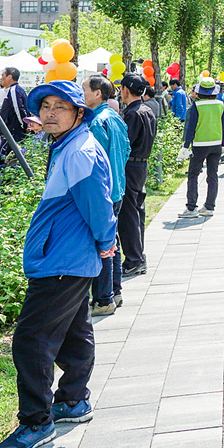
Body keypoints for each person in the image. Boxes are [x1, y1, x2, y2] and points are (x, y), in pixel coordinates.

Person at [0, 80, 116, 448]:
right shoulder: (66, 144)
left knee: (31, 341)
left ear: (79, 113)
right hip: (67, 257)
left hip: (63, 260)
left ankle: (35, 421)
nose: (49, 113)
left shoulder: (79, 151)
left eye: (59, 107)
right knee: (75, 332)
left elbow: (98, 202)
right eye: (45, 106)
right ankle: (74, 401)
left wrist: (106, 240)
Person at [83, 76, 130, 316]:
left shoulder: (97, 122)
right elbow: (127, 149)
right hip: (118, 187)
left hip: (104, 191)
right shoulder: (115, 118)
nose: (82, 95)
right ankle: (115, 290)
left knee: (102, 244)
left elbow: (94, 163)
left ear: (98, 93)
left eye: (85, 90)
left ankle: (103, 299)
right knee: (113, 240)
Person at [118, 75, 156, 278]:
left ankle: (133, 259)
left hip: (131, 164)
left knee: (129, 214)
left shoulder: (132, 114)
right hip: (141, 164)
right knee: (138, 211)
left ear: (125, 90)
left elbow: (125, 143)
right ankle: (138, 256)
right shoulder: (147, 109)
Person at [179, 77, 224, 218]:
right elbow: (223, 126)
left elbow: (191, 128)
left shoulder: (196, 106)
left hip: (200, 144)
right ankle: (209, 207)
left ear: (199, 92)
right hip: (216, 143)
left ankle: (191, 208)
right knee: (213, 175)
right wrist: (223, 144)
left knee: (193, 175)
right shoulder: (220, 104)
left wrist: (186, 146)